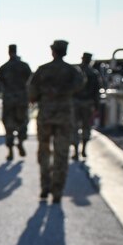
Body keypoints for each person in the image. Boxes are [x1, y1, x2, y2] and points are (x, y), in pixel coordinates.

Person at [28, 39, 84, 204]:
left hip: (45, 115)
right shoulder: (72, 71)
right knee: (61, 153)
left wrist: (42, 96)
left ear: (53, 51)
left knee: (44, 151)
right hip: (64, 117)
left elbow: (32, 92)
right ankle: (57, 190)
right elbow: (80, 86)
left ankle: (45, 187)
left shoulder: (43, 70)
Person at [0, 44, 33, 161]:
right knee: (22, 123)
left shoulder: (4, 67)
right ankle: (20, 142)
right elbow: (30, 82)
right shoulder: (24, 66)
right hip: (22, 100)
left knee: (8, 126)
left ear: (9, 52)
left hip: (9, 100)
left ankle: (10, 150)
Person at [72, 51, 102, 160]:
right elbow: (96, 92)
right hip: (88, 104)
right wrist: (97, 107)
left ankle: (75, 151)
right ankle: (84, 149)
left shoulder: (76, 71)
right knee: (86, 127)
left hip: (75, 103)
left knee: (74, 127)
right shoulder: (93, 73)